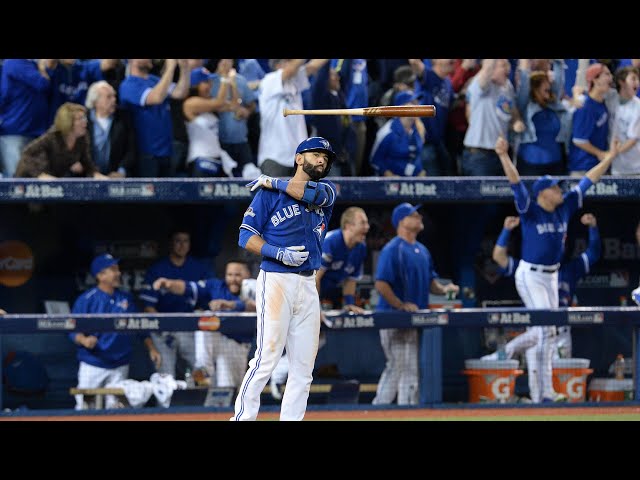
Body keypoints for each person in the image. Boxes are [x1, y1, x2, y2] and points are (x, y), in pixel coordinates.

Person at [495, 135, 615, 402]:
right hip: (531, 274)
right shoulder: (530, 209)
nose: (560, 191)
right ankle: (540, 394)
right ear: (543, 193)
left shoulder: (564, 208)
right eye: (555, 188)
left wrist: (608, 159)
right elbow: (515, 182)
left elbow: (588, 181)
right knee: (545, 330)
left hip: (552, 275)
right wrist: (504, 156)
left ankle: (541, 386)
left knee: (549, 331)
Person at [231, 136, 337, 421]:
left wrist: (273, 181)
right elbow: (245, 236)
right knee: (266, 358)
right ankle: (242, 419)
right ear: (298, 158)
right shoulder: (267, 195)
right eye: (316, 155)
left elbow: (307, 195)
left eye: (325, 158)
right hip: (277, 280)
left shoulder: (326, 191)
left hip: (308, 283)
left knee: (304, 368)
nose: (322, 161)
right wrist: (277, 252)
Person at [269, 206, 370, 399]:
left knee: (315, 339)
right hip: (298, 287)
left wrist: (348, 302)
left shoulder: (360, 247)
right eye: (362, 223)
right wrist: (315, 308)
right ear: (348, 226)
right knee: (298, 337)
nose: (367, 227)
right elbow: (314, 277)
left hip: (323, 295)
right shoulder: (332, 241)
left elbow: (351, 279)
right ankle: (278, 374)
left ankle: (282, 375)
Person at [482, 213, 600, 376]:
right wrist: (506, 230)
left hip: (561, 334)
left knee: (561, 382)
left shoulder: (571, 269)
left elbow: (593, 253)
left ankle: (501, 356)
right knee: (537, 379)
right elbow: (498, 256)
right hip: (536, 330)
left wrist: (593, 227)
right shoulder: (528, 269)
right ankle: (501, 356)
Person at [372, 203, 459, 405]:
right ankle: (378, 409)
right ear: (402, 221)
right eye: (413, 215)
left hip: (413, 318)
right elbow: (381, 284)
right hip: (392, 318)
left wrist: (445, 290)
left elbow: (431, 282)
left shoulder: (422, 250)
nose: (419, 217)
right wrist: (400, 305)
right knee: (397, 365)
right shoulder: (393, 249)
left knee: (410, 368)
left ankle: (407, 411)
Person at [69, 253, 161, 410]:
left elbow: (139, 326)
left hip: (119, 365)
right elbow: (71, 329)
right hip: (93, 364)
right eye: (113, 269)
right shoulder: (86, 299)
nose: (118, 273)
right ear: (100, 275)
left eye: (117, 269)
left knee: (116, 411)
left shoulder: (126, 298)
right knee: (85, 410)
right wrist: (83, 340)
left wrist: (152, 348)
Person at [151, 259, 256, 391]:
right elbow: (188, 287)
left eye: (237, 275)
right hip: (215, 339)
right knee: (205, 316)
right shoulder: (216, 286)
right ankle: (204, 368)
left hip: (236, 345)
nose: (233, 279)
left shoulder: (255, 287)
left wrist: (230, 305)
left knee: (227, 389)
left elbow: (257, 306)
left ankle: (228, 409)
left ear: (247, 275)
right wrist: (169, 283)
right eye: (230, 275)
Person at [139, 229, 213, 381]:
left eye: (185, 241)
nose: (182, 245)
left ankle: (200, 403)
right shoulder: (157, 270)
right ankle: (166, 404)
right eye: (178, 241)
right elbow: (148, 307)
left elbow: (208, 300)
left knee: (201, 369)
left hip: (190, 327)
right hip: (163, 329)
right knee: (166, 376)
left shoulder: (198, 268)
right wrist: (163, 326)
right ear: (171, 244)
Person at [15, 103, 107, 179]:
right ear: (68, 121)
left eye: (85, 118)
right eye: (80, 119)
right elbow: (28, 154)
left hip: (54, 179)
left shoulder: (82, 138)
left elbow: (86, 161)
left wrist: (95, 174)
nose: (85, 122)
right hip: (29, 179)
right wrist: (40, 174)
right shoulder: (52, 136)